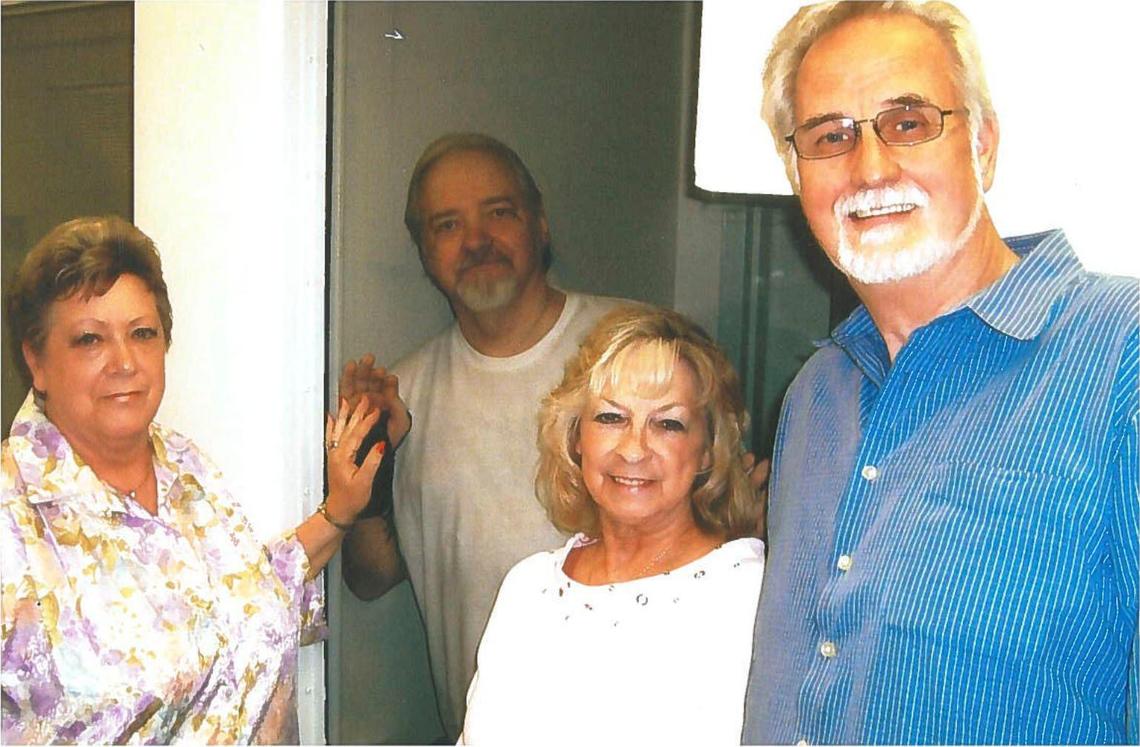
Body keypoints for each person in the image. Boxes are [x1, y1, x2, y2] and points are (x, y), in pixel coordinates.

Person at [741, 2, 1138, 744]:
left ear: (984, 146)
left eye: (910, 122)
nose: (870, 167)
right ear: (797, 175)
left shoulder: (1123, 355)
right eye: (831, 136)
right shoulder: (816, 395)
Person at [1, 216, 384, 744]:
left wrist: (339, 510)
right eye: (90, 339)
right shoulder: (11, 516)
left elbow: (250, 591)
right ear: (36, 361)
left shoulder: (185, 464)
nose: (125, 362)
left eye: (142, 333)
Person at [338, 133, 625, 737]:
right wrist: (375, 464)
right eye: (447, 225)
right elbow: (370, 578)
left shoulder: (635, 348)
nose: (475, 241)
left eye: (499, 212)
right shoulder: (407, 391)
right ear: (425, 254)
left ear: (539, 225)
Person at [459, 305, 764, 744]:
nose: (634, 450)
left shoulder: (750, 596)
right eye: (610, 417)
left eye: (668, 424)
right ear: (575, 437)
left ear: (707, 451)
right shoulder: (527, 588)